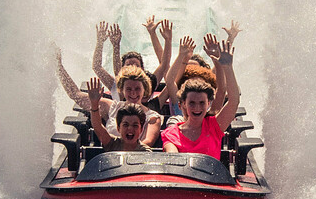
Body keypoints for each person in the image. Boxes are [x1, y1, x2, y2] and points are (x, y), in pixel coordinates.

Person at [161, 23, 240, 158]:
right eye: (192, 103)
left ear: (208, 103)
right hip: (183, 178)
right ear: (183, 104)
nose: (197, 108)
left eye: (201, 103)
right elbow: (172, 156)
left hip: (210, 178)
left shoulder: (215, 126)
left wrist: (227, 67)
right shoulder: (171, 133)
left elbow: (234, 100)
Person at [92, 94, 157, 153]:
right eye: (126, 125)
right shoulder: (113, 143)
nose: (130, 129)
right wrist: (94, 104)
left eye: (135, 125)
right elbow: (98, 127)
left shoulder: (145, 152)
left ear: (141, 129)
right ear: (118, 128)